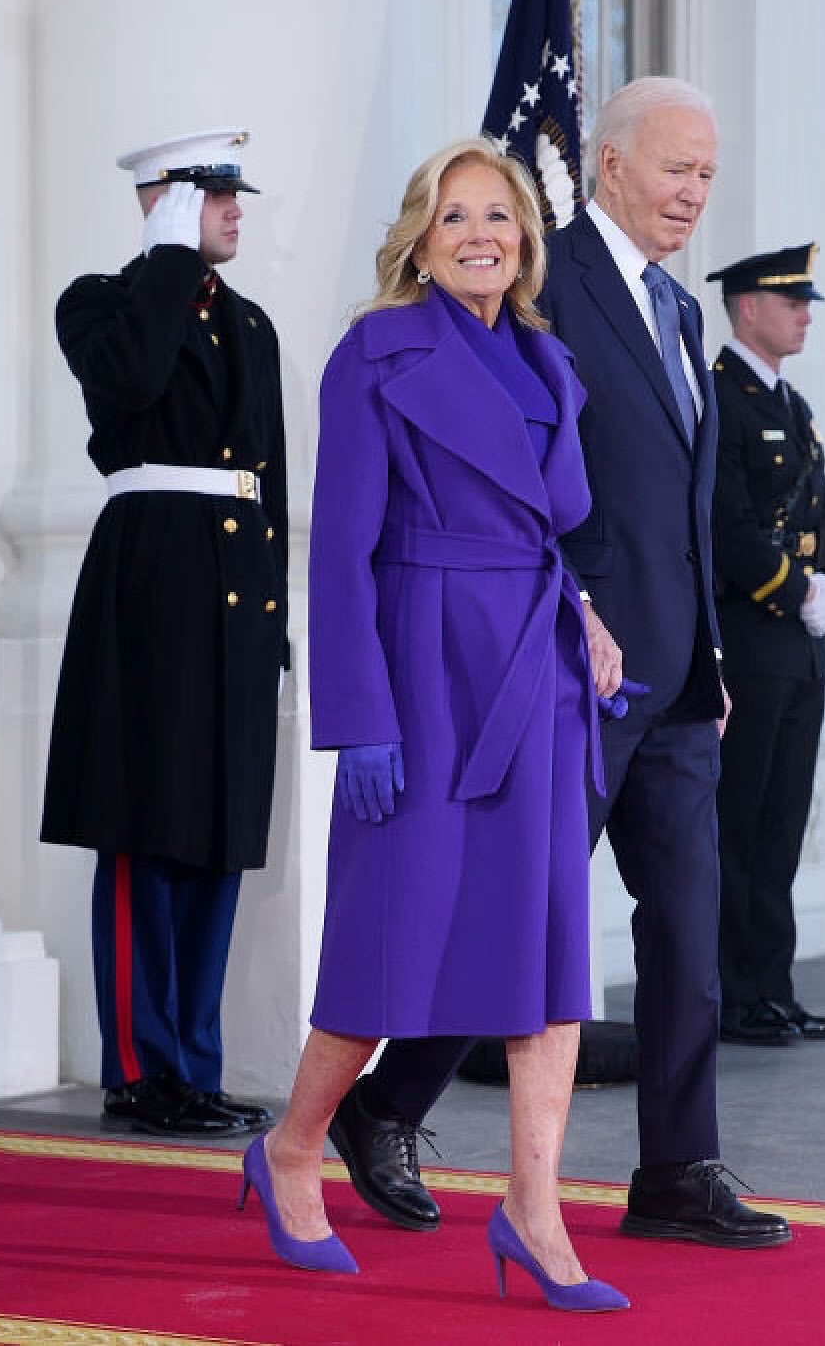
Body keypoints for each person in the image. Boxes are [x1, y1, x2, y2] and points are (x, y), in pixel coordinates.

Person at [327, 77, 792, 1252]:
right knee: (507, 914)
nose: (694, 193)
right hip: (553, 666)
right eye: (677, 168)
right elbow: (519, 493)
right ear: (611, 165)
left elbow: (680, 512)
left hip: (673, 675)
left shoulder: (679, 310)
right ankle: (384, 1104)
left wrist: (711, 655)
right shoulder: (543, 284)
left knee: (688, 926)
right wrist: (572, 618)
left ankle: (678, 1169)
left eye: (708, 175)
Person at [237, 136, 628, 1312]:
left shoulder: (550, 359)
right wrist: (360, 718)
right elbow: (341, 552)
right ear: (419, 240)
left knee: (548, 952)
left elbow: (544, 530)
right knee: (389, 944)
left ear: (526, 239)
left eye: (498, 216)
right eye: (455, 217)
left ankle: (534, 1209)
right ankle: (295, 1145)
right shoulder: (375, 353)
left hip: (535, 676)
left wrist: (586, 618)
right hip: (423, 679)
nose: (479, 236)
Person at [40, 129, 289, 1137]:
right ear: (163, 201)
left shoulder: (252, 324)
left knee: (217, 838)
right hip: (152, 587)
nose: (234, 209)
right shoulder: (101, 302)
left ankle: (195, 1062)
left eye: (234, 194)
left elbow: (268, 480)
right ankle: (140, 1070)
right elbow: (136, 375)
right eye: (211, 194)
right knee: (148, 832)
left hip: (233, 598)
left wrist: (275, 621)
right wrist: (170, 260)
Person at [706, 243, 825, 1045]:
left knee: (782, 826)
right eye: (791, 302)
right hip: (751, 641)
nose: (804, 316)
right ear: (747, 308)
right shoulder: (719, 398)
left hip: (801, 651)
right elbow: (727, 526)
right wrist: (798, 590)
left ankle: (773, 986)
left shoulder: (792, 406)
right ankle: (733, 995)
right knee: (738, 821)